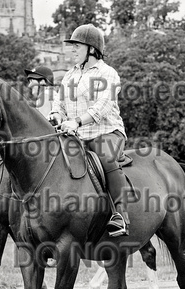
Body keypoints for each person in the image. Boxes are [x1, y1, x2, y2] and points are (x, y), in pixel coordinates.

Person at [49, 24, 130, 237]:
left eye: (77, 46)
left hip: (107, 133)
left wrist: (75, 122)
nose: (72, 50)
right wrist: (57, 116)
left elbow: (101, 108)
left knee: (104, 154)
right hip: (77, 136)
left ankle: (120, 215)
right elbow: (58, 103)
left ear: (92, 49)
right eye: (72, 46)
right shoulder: (69, 76)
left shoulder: (108, 73)